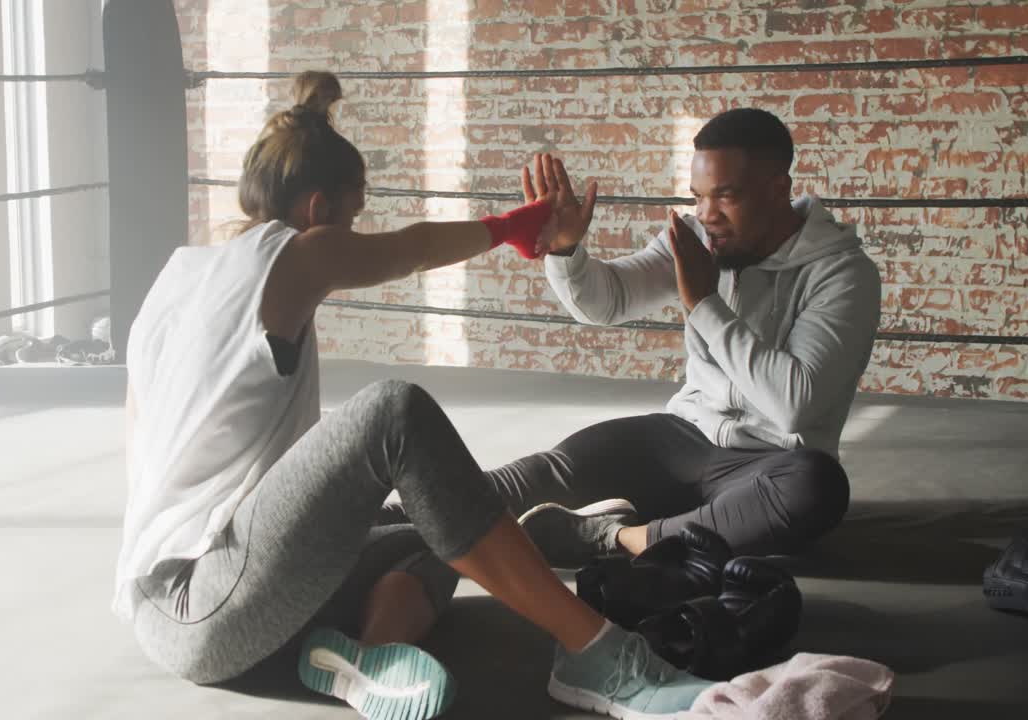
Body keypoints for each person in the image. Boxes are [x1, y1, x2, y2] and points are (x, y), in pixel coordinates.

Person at [113, 71, 712, 720]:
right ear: (320, 212)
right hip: (211, 606)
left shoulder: (174, 285)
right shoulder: (295, 254)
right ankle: (597, 654)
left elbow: (145, 455)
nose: (354, 231)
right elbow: (413, 250)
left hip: (167, 607)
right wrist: (515, 227)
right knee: (391, 414)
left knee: (436, 522)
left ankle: (363, 660)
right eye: (354, 215)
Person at [489, 108, 883, 567]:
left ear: (779, 189)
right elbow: (608, 300)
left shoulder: (842, 273)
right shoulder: (699, 237)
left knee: (818, 487)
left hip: (768, 462)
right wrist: (568, 252)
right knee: (551, 470)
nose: (707, 214)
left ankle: (610, 537)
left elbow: (794, 405)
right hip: (681, 438)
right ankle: (404, 511)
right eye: (698, 197)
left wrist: (704, 304)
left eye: (726, 196)